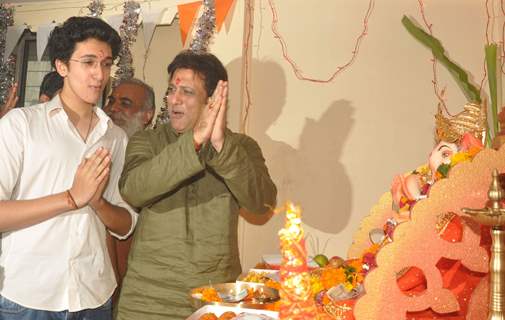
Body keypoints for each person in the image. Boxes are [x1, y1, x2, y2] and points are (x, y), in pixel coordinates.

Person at [115, 50, 277, 320]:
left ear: (212, 100)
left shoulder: (241, 147)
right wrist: (193, 142)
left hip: (214, 297)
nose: (173, 99)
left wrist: (220, 146)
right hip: (146, 300)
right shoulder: (148, 141)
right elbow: (133, 190)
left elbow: (262, 204)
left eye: (187, 92)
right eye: (171, 90)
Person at [0, 16, 138, 320]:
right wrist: (71, 198)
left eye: (105, 64)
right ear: (62, 66)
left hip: (93, 295)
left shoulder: (114, 136)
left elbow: (125, 224)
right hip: (28, 298)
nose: (99, 74)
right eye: (88, 62)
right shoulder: (21, 125)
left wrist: (97, 202)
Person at [102, 78, 155, 301]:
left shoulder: (159, 157)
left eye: (125, 103)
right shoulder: (96, 147)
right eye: (111, 100)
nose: (113, 108)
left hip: (142, 286)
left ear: (147, 115)